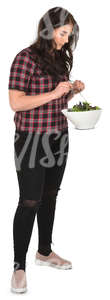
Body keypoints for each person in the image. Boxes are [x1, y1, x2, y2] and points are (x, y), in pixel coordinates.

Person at [8, 6, 85, 293]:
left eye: (69, 35)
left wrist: (72, 89)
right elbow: (16, 103)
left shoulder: (59, 59)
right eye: (63, 33)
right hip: (30, 140)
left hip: (58, 138)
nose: (66, 40)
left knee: (50, 195)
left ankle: (44, 252)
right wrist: (54, 92)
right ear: (48, 28)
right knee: (30, 201)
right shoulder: (24, 58)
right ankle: (18, 266)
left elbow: (54, 100)